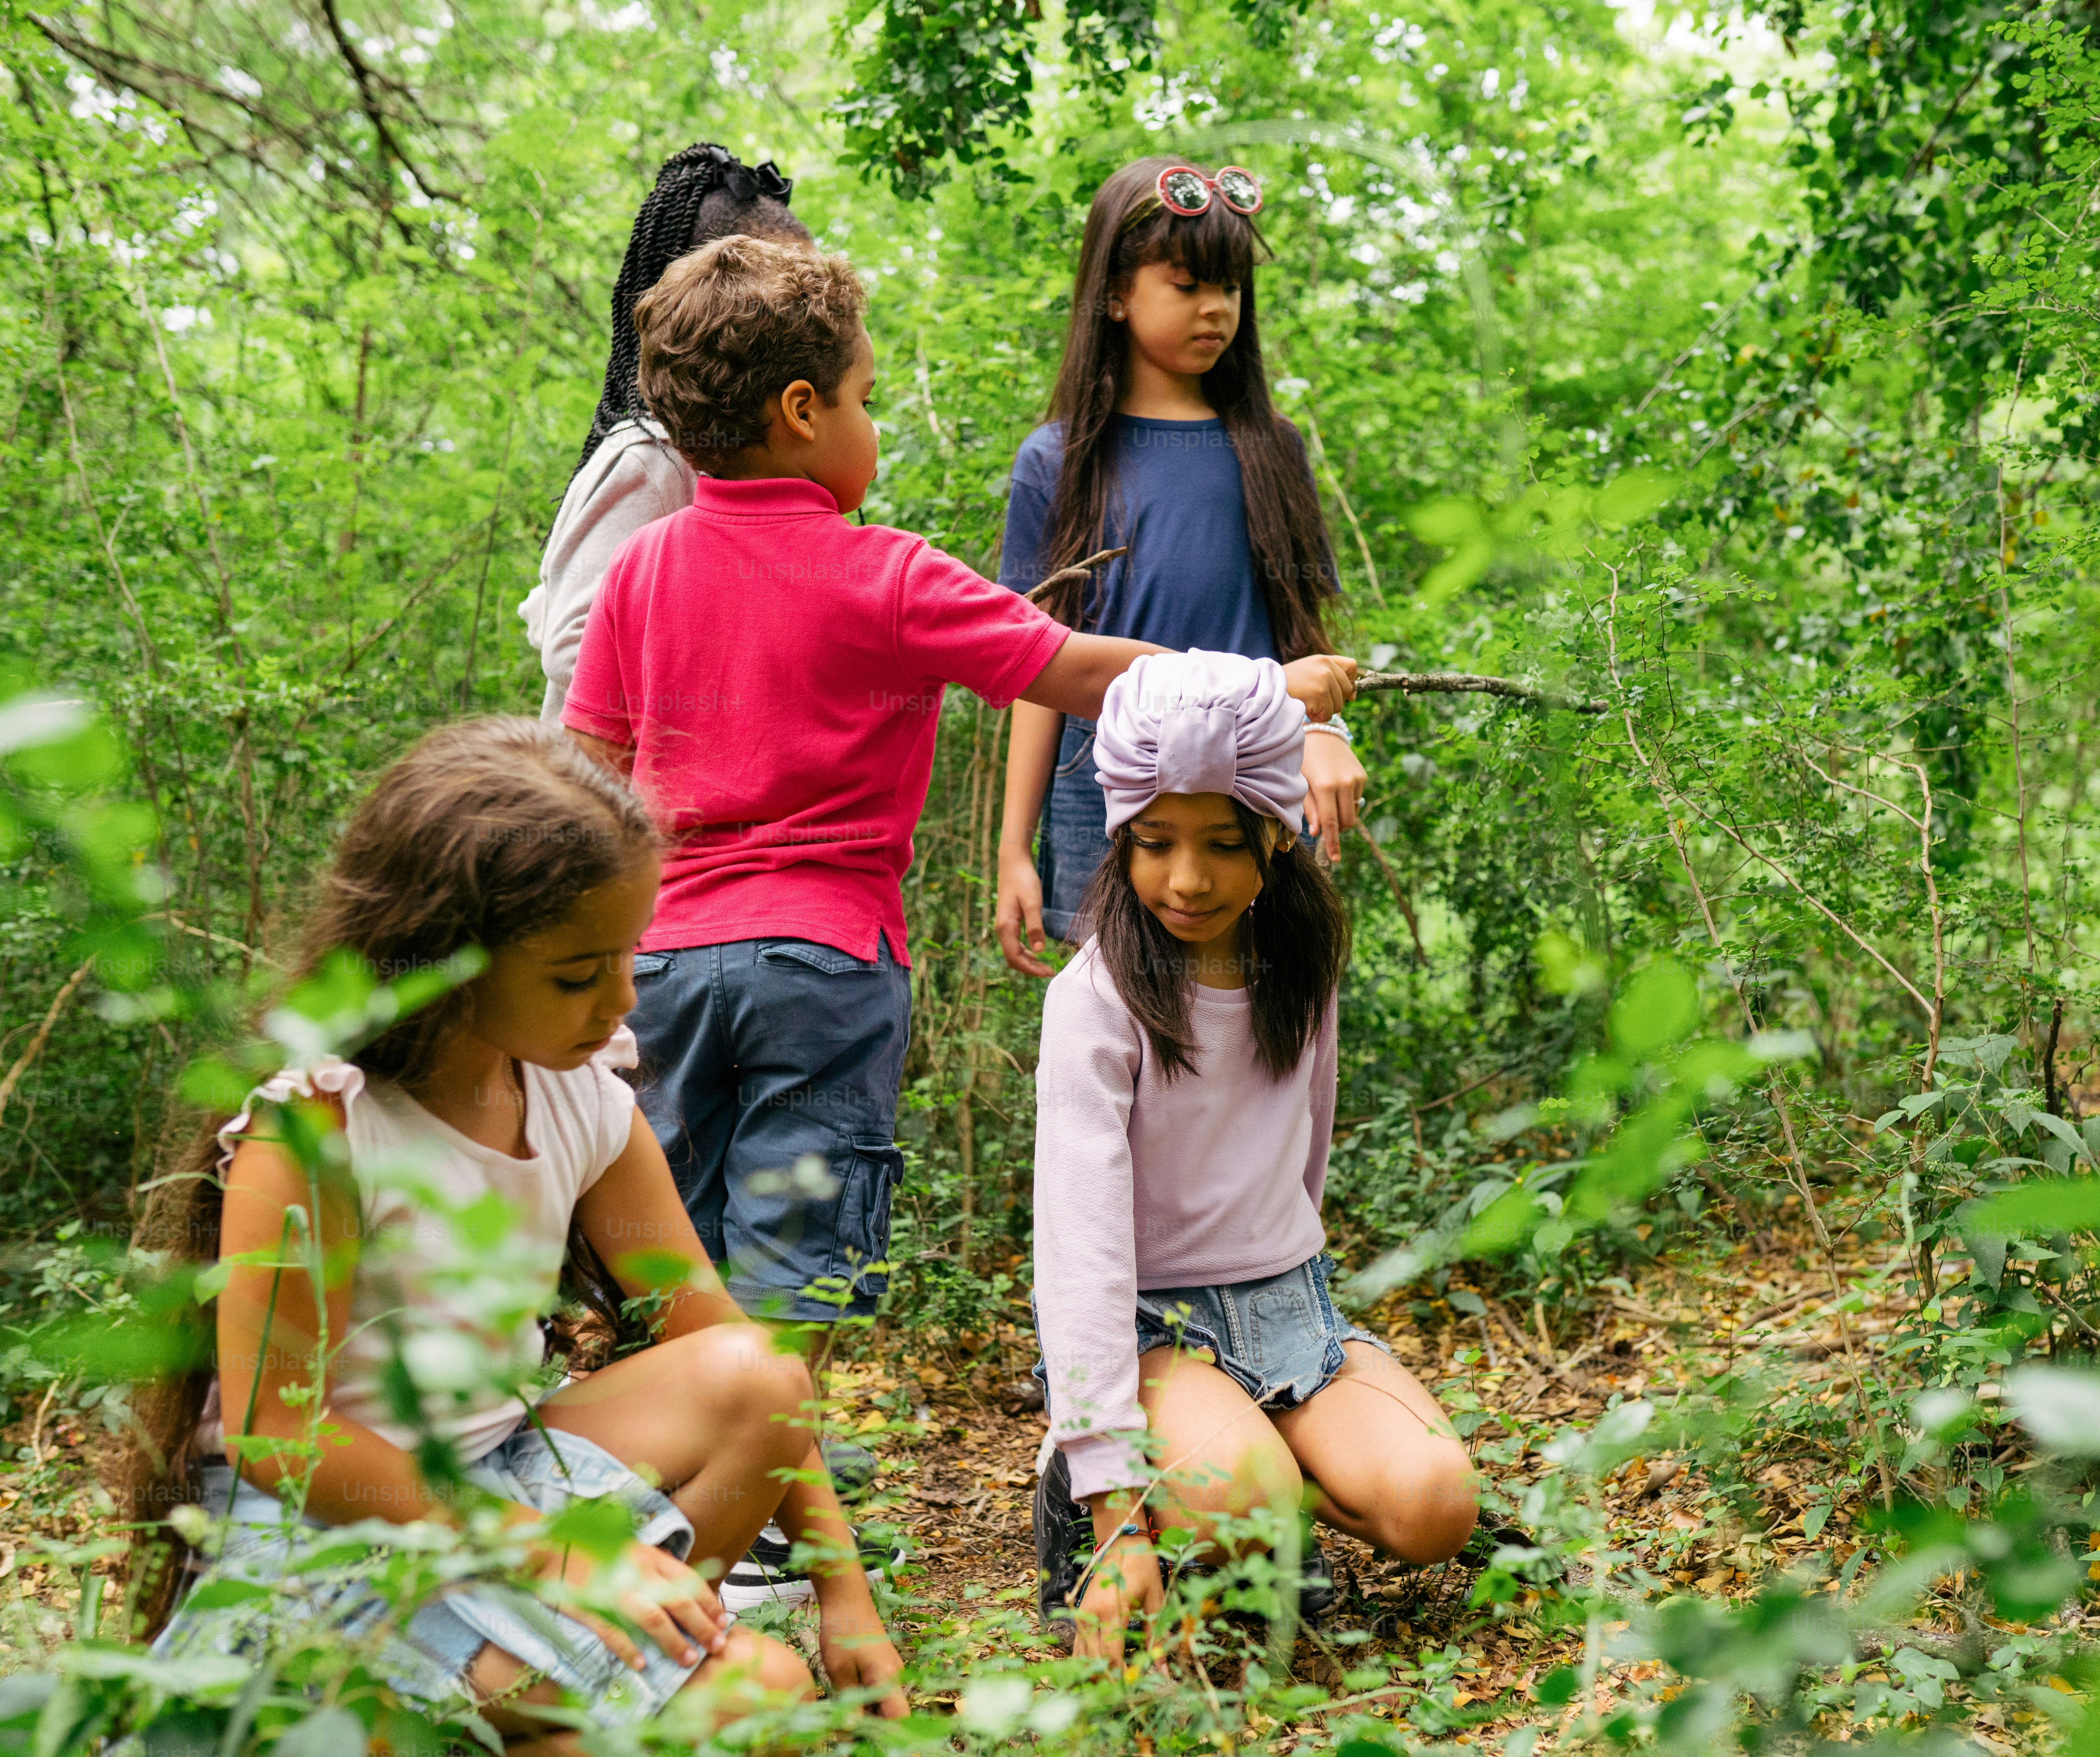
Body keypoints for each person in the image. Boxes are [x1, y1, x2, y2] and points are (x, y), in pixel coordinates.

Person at [557, 238, 1359, 1596]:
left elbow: (587, 779)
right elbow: (1087, 672)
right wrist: (1265, 690)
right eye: (865, 397)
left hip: (665, 962)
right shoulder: (885, 573)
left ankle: (681, 1511)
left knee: (677, 1254)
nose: (871, 422)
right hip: (824, 968)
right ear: (802, 412)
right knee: (799, 1268)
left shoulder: (639, 575)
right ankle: (743, 1543)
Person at [118, 719, 907, 1735]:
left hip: (489, 1472)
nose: (621, 1000)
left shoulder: (582, 1095)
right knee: (757, 1696)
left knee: (757, 1373)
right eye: (577, 974)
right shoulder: (321, 1123)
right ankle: (441, 1698)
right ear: (450, 960)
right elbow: (280, 1431)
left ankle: (603, 1661)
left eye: (628, 957)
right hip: (326, 1530)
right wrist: (554, 1551)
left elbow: (720, 1342)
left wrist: (843, 1588)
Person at [1029, 652, 1476, 1662]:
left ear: (1275, 835)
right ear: (1121, 835)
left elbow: (1304, 1151)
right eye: (1155, 843)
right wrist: (1113, 1501)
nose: (1187, 879)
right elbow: (1080, 1250)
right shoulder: (1094, 1001)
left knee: (1435, 1504)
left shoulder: (1298, 968)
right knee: (1247, 1501)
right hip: (1150, 1327)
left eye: (1223, 844)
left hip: (1288, 1310)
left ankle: (1250, 1473)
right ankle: (1092, 1479)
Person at [992, 156, 1370, 976]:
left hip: (1256, 784)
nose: (1216, 308)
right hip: (1106, 790)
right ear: (1116, 296)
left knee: (1254, 1014)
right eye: (1188, 285)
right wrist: (1015, 847)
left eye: (1230, 287)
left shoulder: (1270, 448)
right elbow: (1037, 668)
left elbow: (1300, 635)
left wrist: (1323, 730)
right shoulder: (1057, 460)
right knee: (1120, 1021)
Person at [521, 145, 809, 726]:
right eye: (791, 297)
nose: (814, 318)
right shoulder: (655, 458)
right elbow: (572, 644)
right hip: (601, 781)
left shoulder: (758, 448)